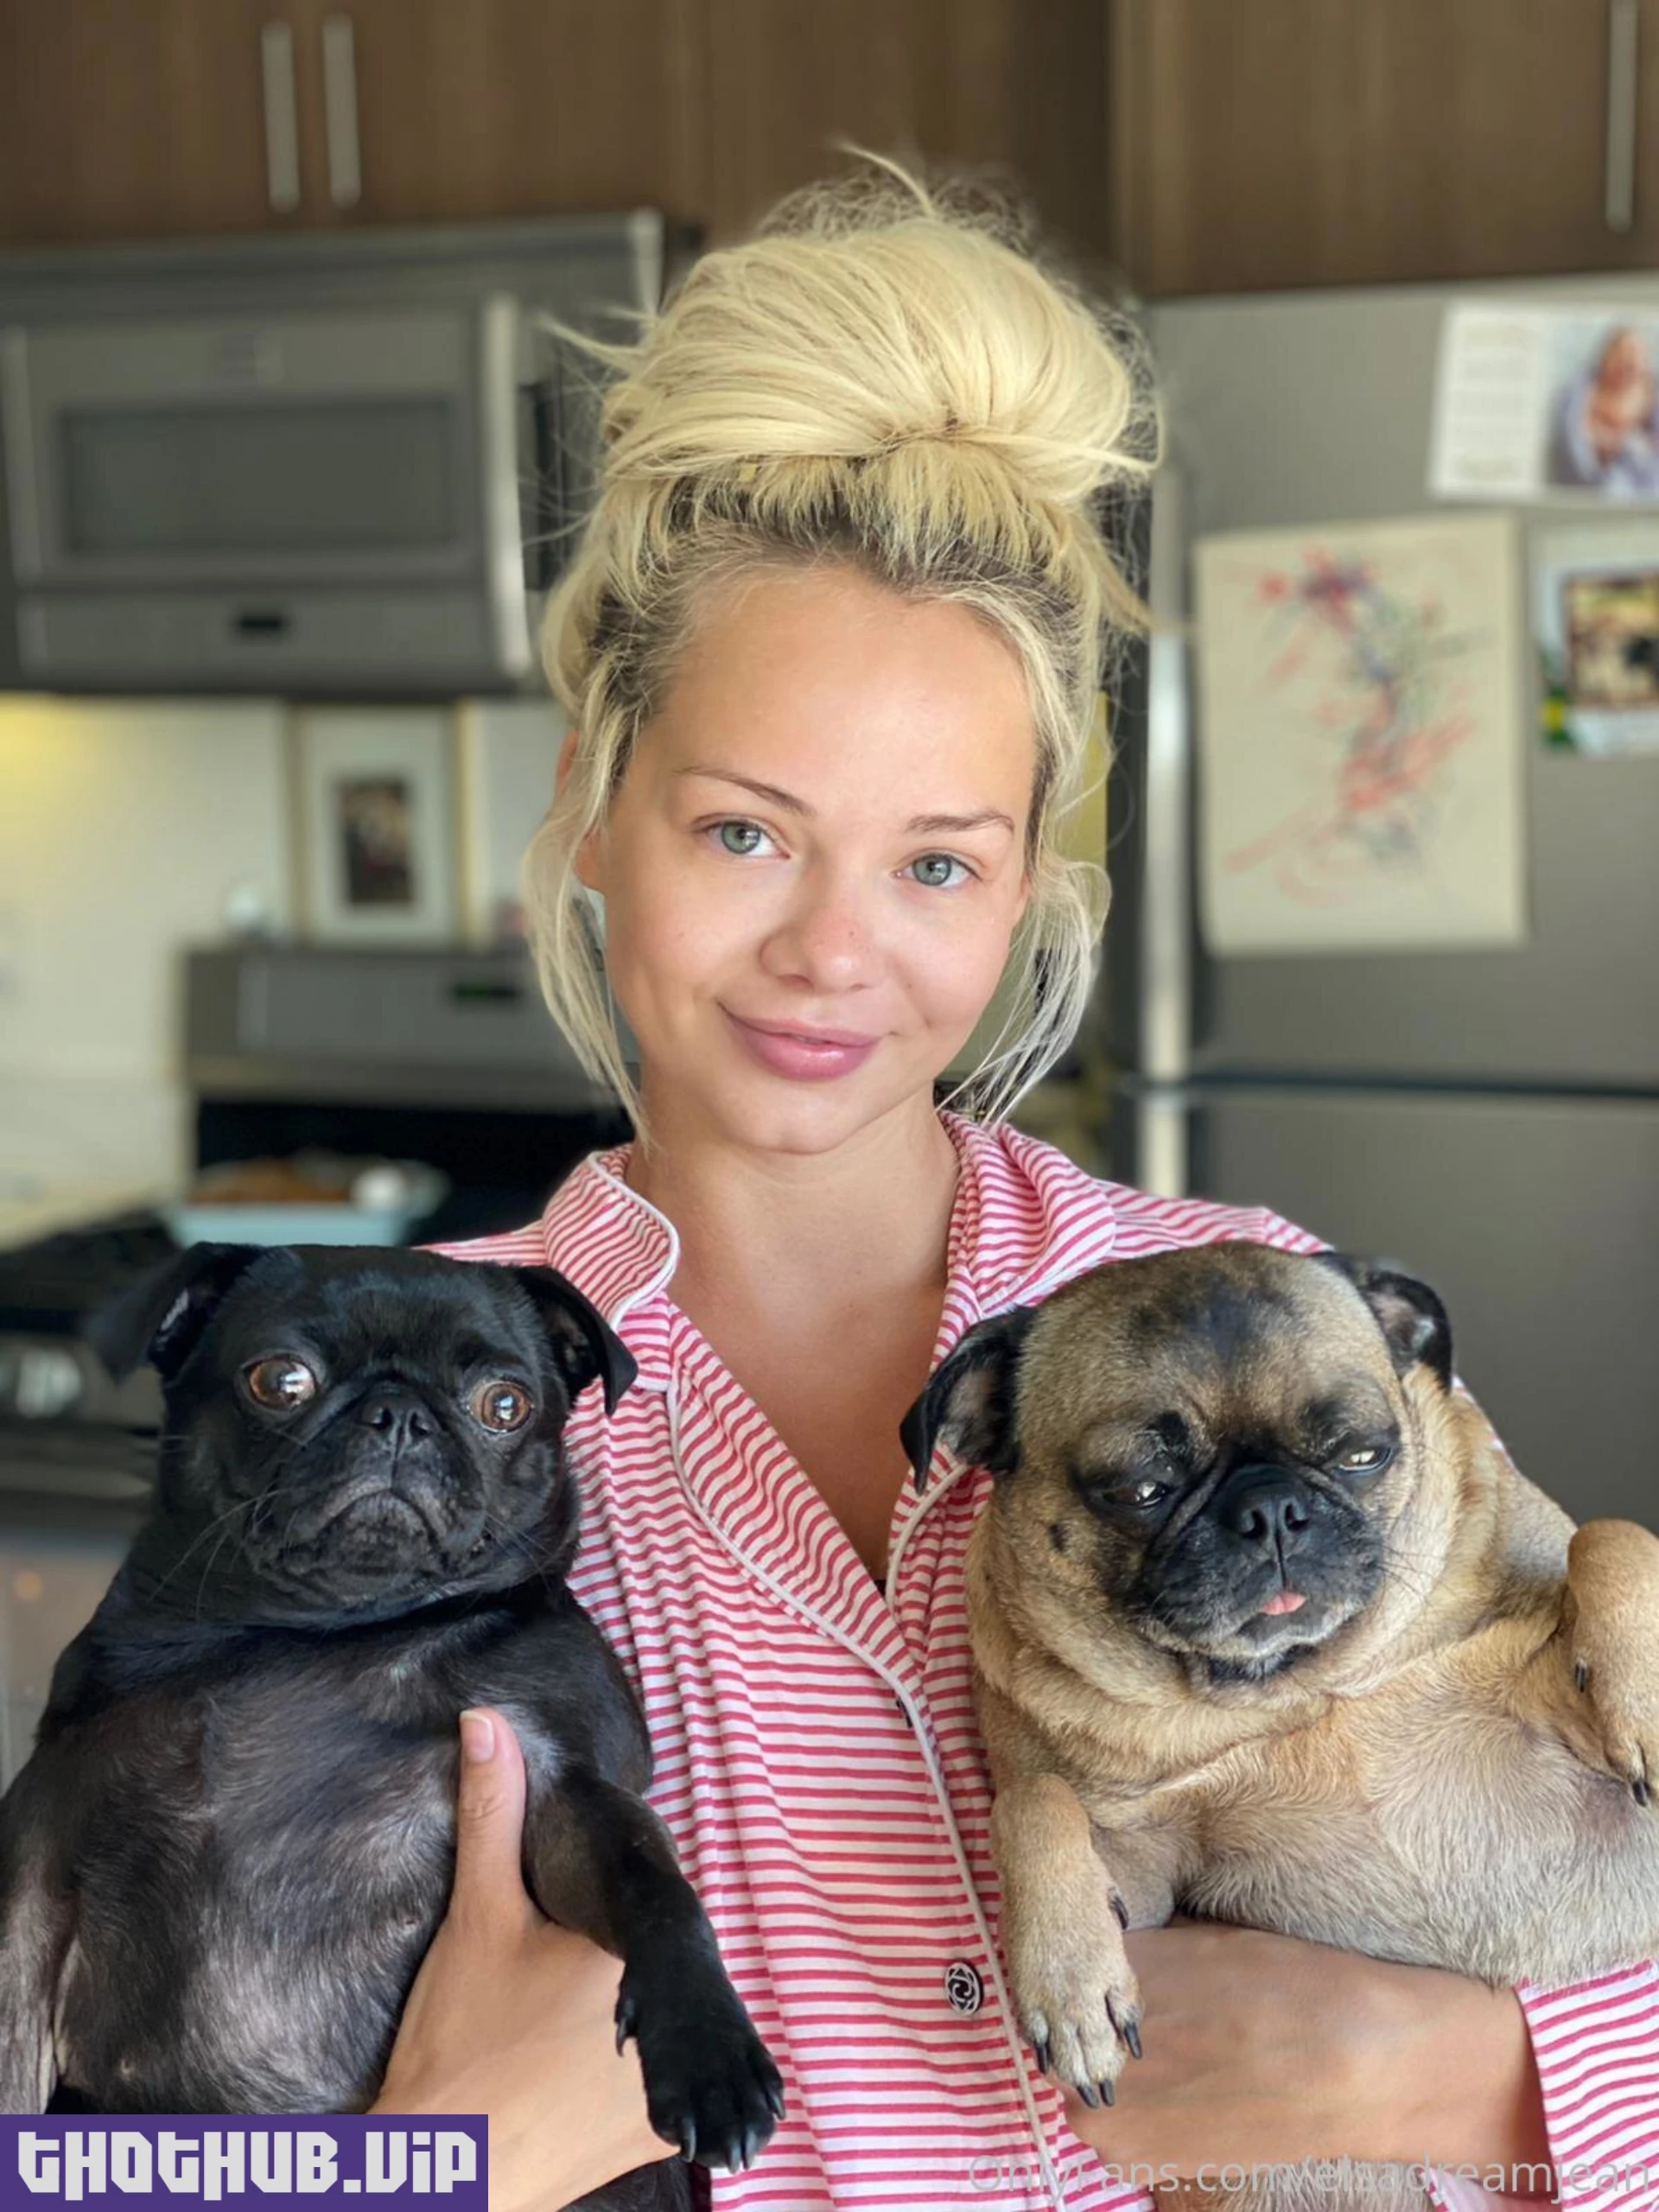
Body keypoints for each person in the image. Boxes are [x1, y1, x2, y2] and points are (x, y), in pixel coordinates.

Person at [372, 156, 1659, 2211]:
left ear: (1029, 889)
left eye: (936, 861)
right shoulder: (396, 1399)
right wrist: (432, 2165)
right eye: (744, 831)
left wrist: (1465, 2070)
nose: (833, 948)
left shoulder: (1277, 1321)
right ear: (594, 805)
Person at [1548, 324, 1659, 495]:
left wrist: (1630, 446)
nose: (1628, 363)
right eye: (1622, 355)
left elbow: (1650, 450)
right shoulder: (1585, 392)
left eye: (1636, 358)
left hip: (1638, 482)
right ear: (1607, 357)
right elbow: (1576, 440)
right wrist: (1610, 442)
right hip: (1593, 480)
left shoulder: (1648, 394)